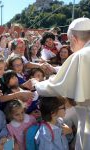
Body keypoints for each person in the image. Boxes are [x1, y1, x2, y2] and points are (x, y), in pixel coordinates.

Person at [32, 17, 90, 150]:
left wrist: (37, 84)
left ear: (74, 39)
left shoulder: (82, 55)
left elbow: (57, 87)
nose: (70, 46)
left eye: (70, 42)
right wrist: (54, 69)